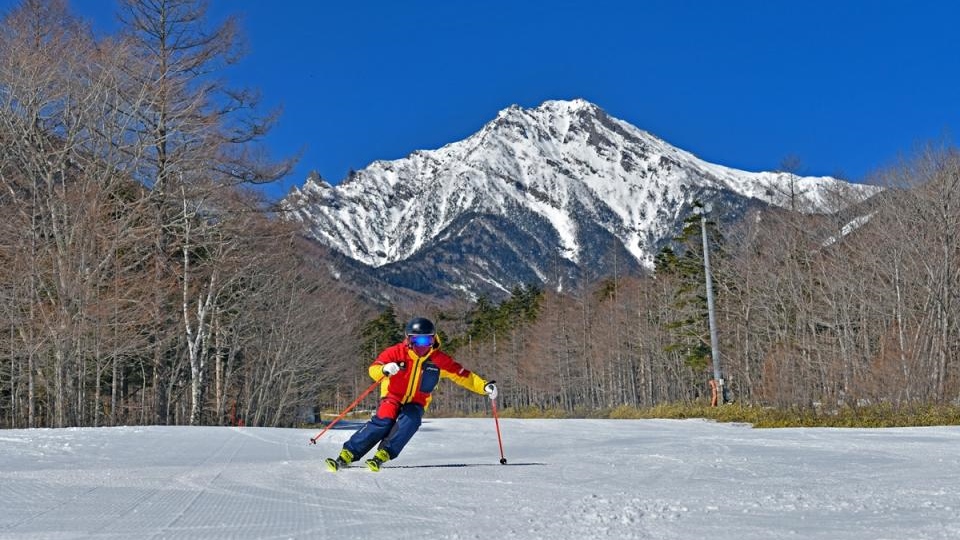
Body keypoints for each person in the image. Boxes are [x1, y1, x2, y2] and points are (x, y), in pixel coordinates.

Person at [326, 317, 497, 472]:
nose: (422, 345)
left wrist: (485, 386)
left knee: (411, 420)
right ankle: (349, 453)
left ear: (433, 339)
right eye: (417, 340)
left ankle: (384, 453)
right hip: (392, 396)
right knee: (384, 421)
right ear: (408, 339)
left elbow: (464, 376)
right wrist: (384, 369)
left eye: (427, 339)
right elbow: (373, 369)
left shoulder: (439, 360)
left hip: (417, 401)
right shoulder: (395, 352)